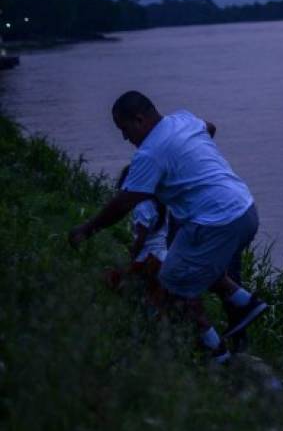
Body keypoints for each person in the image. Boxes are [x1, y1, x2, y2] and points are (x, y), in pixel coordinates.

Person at [69, 91, 268, 362]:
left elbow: (125, 202)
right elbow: (209, 127)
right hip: (244, 208)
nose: (125, 138)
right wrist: (187, 156)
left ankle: (215, 353)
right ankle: (243, 302)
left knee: (173, 285)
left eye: (124, 129)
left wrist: (86, 229)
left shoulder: (149, 153)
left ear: (139, 119)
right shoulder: (183, 119)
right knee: (182, 265)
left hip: (217, 222)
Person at [104, 165, 169, 307]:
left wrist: (133, 255)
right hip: (163, 255)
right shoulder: (158, 203)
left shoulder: (142, 207)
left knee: (113, 279)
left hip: (148, 258)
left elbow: (141, 239)